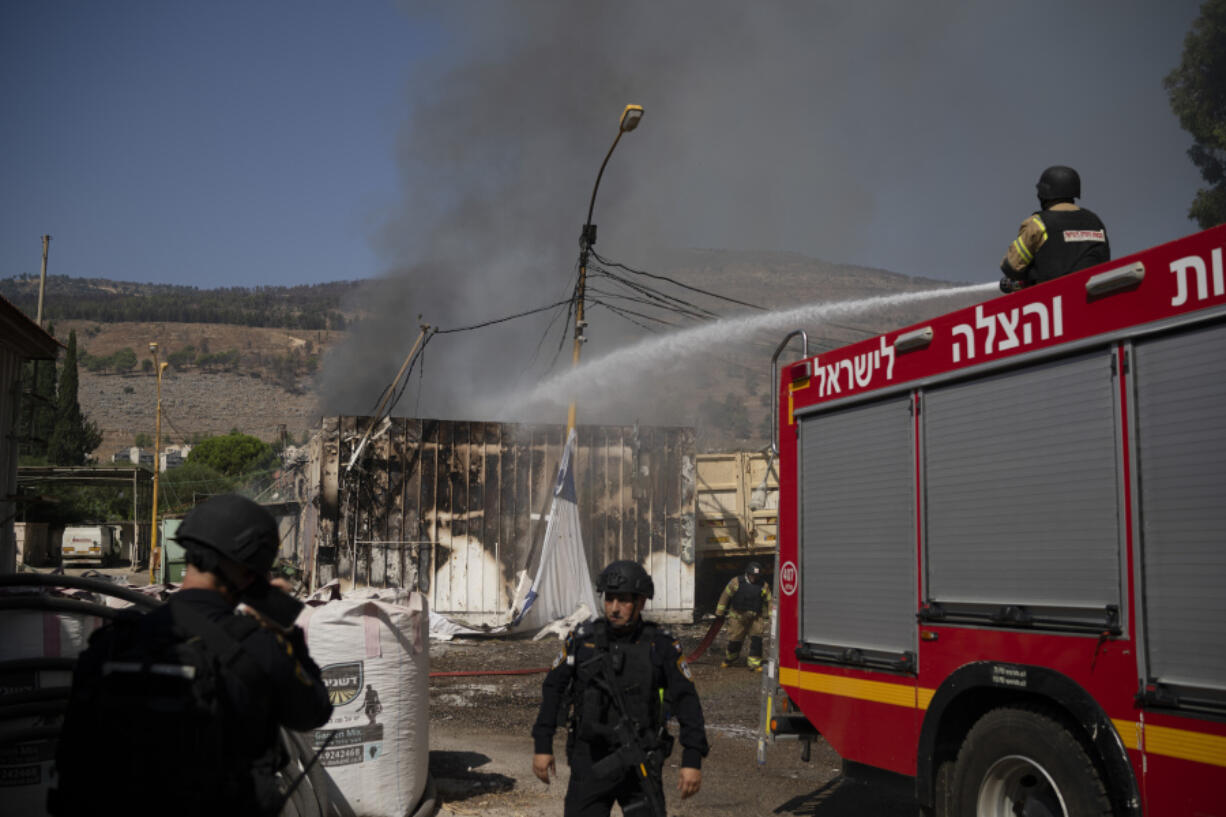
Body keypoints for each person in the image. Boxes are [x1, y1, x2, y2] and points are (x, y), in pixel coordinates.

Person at [50, 494, 333, 817]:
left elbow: (73, 756)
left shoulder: (112, 644)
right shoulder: (258, 647)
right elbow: (314, 712)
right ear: (250, 571)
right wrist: (288, 632)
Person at [531, 559, 709, 817]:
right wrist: (543, 745)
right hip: (590, 759)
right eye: (609, 599)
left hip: (640, 761)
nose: (614, 608)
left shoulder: (661, 645)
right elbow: (553, 690)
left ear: (641, 602)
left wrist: (692, 759)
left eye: (624, 600)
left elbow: (687, 701)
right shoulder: (582, 640)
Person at [1000, 165, 1110, 292]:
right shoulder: (1095, 221)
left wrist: (1032, 275)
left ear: (1043, 194)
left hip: (1054, 300)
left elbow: (1011, 266)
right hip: (1094, 296)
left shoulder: (1038, 223)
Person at [716, 561, 772, 671]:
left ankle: (754, 664)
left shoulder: (763, 585)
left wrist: (771, 616)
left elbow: (769, 601)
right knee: (735, 640)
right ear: (747, 574)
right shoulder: (736, 582)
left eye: (756, 576)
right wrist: (719, 612)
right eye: (752, 575)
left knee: (756, 640)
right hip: (738, 617)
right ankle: (730, 659)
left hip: (755, 618)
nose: (754, 578)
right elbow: (725, 596)